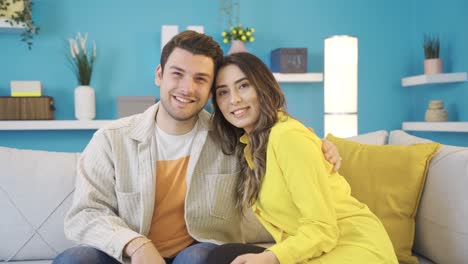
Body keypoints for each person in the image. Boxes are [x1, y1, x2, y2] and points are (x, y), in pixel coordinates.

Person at [53, 31, 342, 264]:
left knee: (201, 256)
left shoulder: (230, 137)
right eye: (177, 74)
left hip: (196, 254)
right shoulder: (111, 139)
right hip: (126, 255)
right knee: (73, 259)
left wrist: (319, 144)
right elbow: (85, 213)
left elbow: (274, 138)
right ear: (159, 75)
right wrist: (136, 245)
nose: (187, 88)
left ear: (210, 90)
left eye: (201, 79)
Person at [207, 52, 399, 264]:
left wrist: (272, 257)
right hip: (315, 248)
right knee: (220, 256)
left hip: (353, 248)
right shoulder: (249, 146)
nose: (234, 99)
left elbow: (322, 228)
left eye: (243, 86)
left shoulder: (288, 136)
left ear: (263, 87)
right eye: (222, 92)